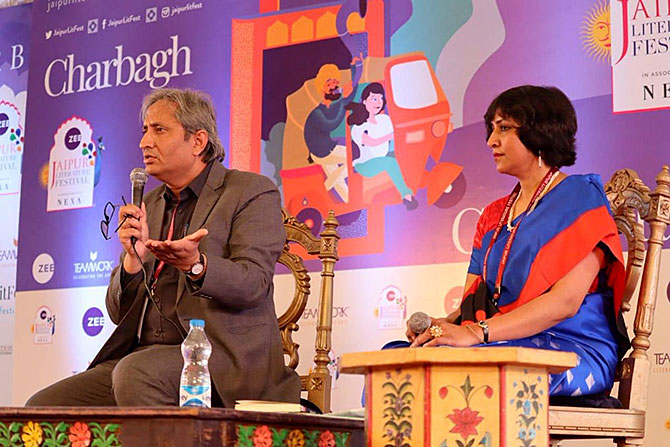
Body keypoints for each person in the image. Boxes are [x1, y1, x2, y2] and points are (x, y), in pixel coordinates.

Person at [27, 88, 300, 407]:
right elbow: (117, 314)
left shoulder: (249, 192)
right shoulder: (151, 204)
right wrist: (132, 262)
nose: (145, 142)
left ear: (198, 141)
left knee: (136, 373)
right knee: (43, 407)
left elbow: (253, 283)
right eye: (144, 130)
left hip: (221, 363)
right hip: (141, 358)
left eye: (159, 130)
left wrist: (196, 265)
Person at [409, 85, 629, 397]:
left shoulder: (580, 197)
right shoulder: (492, 216)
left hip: (572, 348)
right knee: (400, 360)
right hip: (497, 342)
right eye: (491, 129)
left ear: (541, 132)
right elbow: (472, 303)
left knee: (470, 374)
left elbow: (564, 304)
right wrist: (439, 328)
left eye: (504, 128)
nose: (491, 141)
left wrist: (475, 334)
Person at [346, 82, 417, 210]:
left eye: (380, 99)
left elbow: (395, 139)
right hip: (365, 165)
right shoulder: (358, 127)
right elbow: (372, 142)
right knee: (389, 163)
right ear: (364, 101)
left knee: (397, 156)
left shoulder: (384, 119)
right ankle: (406, 195)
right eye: (373, 99)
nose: (378, 102)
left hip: (383, 157)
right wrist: (390, 137)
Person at [304, 58, 361, 203]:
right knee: (355, 156)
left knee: (340, 185)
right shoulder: (317, 113)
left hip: (327, 149)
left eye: (335, 83)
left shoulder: (333, 106)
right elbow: (332, 124)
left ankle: (349, 204)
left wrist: (354, 68)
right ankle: (325, 187)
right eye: (329, 83)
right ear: (321, 87)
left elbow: (350, 94)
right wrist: (343, 102)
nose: (333, 86)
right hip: (322, 153)